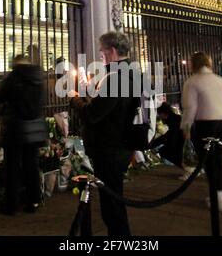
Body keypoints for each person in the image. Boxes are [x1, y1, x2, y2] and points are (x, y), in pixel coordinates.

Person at [70, 32, 137, 236]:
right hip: (123, 143)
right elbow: (111, 107)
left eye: (102, 51)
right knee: (114, 200)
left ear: (113, 51)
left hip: (109, 148)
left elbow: (92, 115)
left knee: (112, 207)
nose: (100, 56)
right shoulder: (132, 73)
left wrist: (76, 99)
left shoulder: (116, 78)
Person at [181, 52, 222, 213]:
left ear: (193, 64)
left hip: (204, 125)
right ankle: (218, 194)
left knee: (207, 161)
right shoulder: (221, 80)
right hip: (221, 123)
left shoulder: (192, 82)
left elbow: (189, 108)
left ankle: (217, 197)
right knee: (217, 160)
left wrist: (186, 128)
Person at [0, 55, 48, 215]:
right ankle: (34, 201)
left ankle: (11, 205)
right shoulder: (38, 77)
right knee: (31, 165)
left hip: (16, 129)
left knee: (12, 167)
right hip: (35, 129)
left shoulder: (13, 77)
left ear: (15, 63)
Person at [150, 102, 184, 168]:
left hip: (180, 144)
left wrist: (167, 146)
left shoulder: (172, 120)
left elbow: (172, 136)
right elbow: (168, 135)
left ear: (163, 113)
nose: (159, 116)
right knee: (164, 151)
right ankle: (188, 169)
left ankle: (188, 170)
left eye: (159, 114)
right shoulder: (174, 118)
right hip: (180, 142)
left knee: (165, 152)